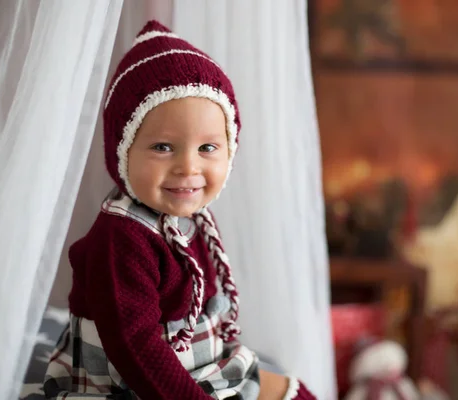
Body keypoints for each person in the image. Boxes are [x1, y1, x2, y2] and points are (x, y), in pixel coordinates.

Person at [42, 20, 316, 400]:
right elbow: (135, 347)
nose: (188, 168)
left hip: (193, 360)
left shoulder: (193, 217)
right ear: (122, 151)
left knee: (295, 392)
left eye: (207, 148)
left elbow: (200, 306)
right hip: (129, 380)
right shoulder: (120, 238)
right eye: (163, 147)